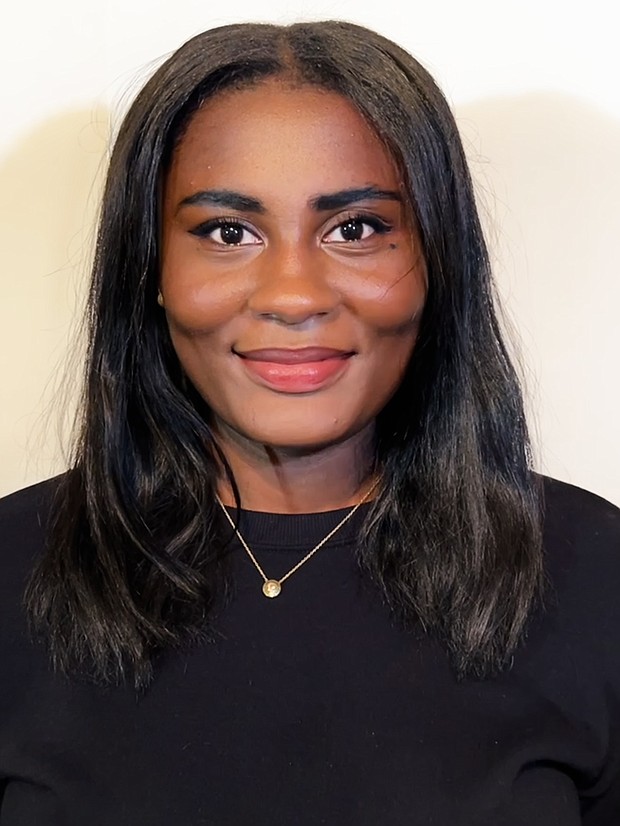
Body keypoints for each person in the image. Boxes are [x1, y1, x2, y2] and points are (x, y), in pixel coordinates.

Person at [0, 19, 618, 825]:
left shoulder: (595, 576)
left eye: (356, 229)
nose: (293, 295)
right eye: (228, 232)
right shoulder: (12, 567)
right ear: (151, 267)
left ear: (437, 261)